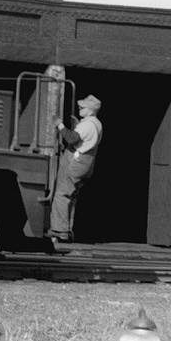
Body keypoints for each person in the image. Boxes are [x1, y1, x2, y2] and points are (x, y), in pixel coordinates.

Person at [50, 94, 103, 242]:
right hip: (86, 164)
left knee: (62, 194)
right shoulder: (97, 124)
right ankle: (67, 229)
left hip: (75, 161)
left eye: (83, 107)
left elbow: (72, 138)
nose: (80, 107)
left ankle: (59, 230)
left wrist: (59, 124)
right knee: (71, 197)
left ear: (91, 111)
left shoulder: (87, 125)